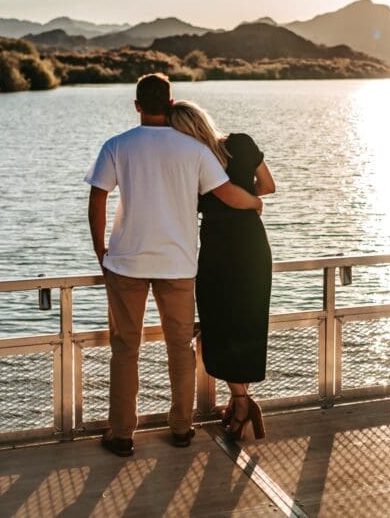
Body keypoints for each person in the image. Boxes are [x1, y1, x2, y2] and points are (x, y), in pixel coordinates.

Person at [86, 74, 263, 457]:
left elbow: (97, 198)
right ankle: (182, 429)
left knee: (125, 349)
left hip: (126, 264)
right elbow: (226, 193)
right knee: (180, 348)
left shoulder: (117, 146)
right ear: (170, 103)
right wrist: (254, 203)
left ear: (137, 106)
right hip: (179, 265)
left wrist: (101, 252)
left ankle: (121, 435)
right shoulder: (193, 151)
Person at [168, 100, 274, 441]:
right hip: (253, 245)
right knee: (247, 319)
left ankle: (241, 401)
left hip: (217, 249)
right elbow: (269, 186)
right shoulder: (241, 142)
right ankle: (241, 401)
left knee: (219, 323)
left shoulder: (192, 161)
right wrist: (250, 199)